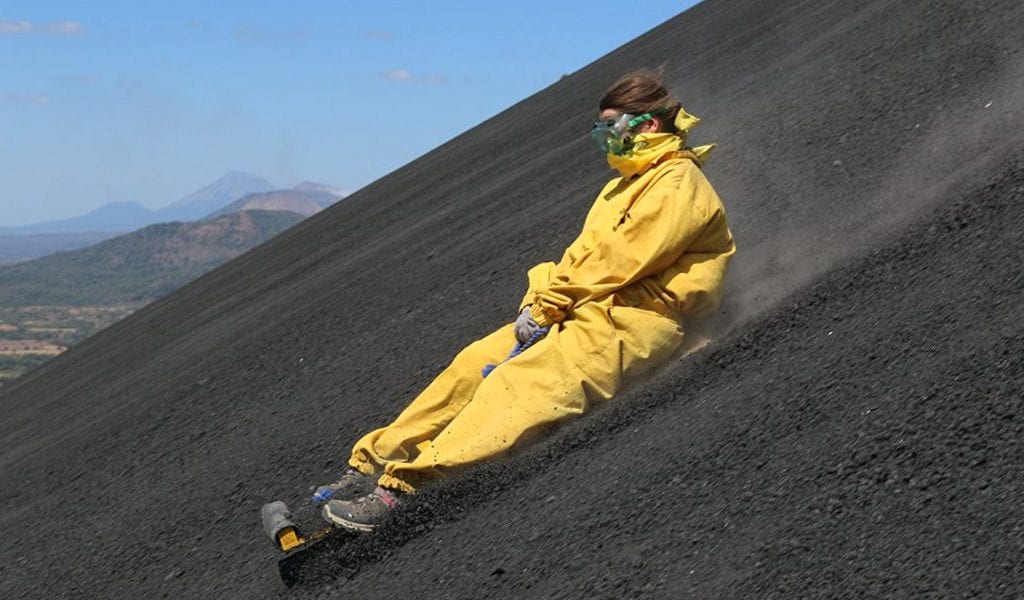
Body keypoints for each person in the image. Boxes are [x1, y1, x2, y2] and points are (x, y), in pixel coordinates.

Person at [315, 70, 736, 531]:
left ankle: (399, 492)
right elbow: (581, 257)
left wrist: (550, 307)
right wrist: (538, 299)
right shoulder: (623, 186)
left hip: (637, 320)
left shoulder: (678, 184)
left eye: (612, 127)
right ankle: (370, 464)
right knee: (473, 363)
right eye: (600, 131)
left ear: (649, 125)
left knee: (519, 382)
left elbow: (620, 260)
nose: (605, 141)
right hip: (586, 308)